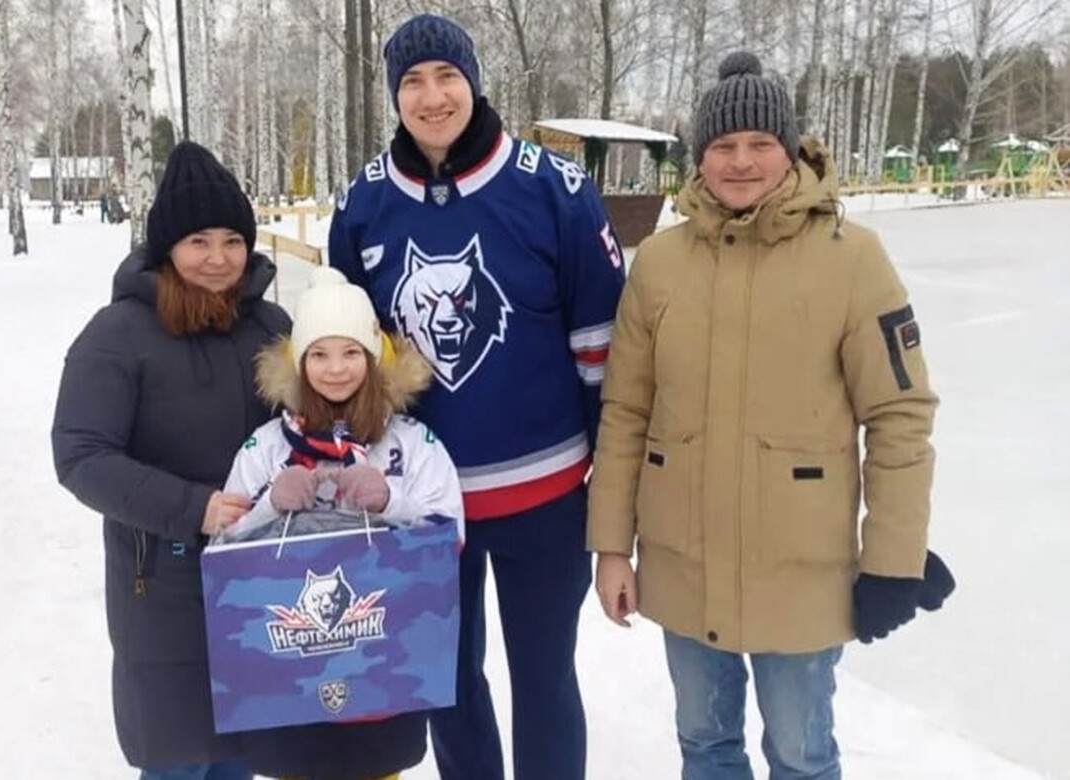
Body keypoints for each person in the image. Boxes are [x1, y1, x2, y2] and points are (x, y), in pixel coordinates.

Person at [587, 52, 954, 780]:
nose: (741, 161)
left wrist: (893, 559)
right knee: (705, 745)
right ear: (700, 158)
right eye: (723, 145)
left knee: (800, 755)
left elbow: (900, 415)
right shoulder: (658, 264)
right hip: (683, 565)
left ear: (790, 149)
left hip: (801, 573)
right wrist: (612, 549)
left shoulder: (853, 259)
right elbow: (626, 411)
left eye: (760, 143)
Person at [328, 14, 626, 780]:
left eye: (447, 77)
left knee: (545, 680)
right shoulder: (363, 205)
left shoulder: (553, 189)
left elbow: (605, 353)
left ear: (474, 82)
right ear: (395, 96)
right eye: (412, 82)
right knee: (449, 688)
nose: (432, 97)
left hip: (546, 499)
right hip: (422, 503)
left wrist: (612, 492)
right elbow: (344, 360)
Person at [51, 141, 291, 780]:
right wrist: (194, 508)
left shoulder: (271, 327)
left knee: (241, 751)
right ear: (167, 248)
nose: (218, 258)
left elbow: (312, 426)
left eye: (233, 241)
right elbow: (80, 455)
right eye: (198, 241)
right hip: (162, 583)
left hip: (261, 577)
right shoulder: (117, 334)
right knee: (178, 757)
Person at [218, 264, 464, 780]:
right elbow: (222, 544)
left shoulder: (411, 442)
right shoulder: (266, 446)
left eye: (351, 352)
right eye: (319, 354)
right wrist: (269, 503)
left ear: (372, 357)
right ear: (299, 361)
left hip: (384, 673)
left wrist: (390, 499)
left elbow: (451, 534)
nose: (335, 369)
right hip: (288, 683)